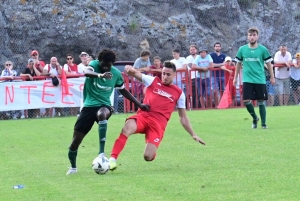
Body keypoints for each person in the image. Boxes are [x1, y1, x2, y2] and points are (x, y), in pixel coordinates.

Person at [108, 61, 206, 171]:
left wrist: (193, 134)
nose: (165, 76)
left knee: (147, 157)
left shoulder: (179, 93)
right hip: (143, 117)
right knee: (127, 127)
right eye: (163, 73)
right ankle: (112, 159)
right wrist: (129, 69)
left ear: (174, 75)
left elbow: (182, 117)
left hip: (158, 125)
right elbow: (135, 73)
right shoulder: (153, 81)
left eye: (168, 74)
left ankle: (152, 153)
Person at [66, 49, 149, 175]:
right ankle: (73, 168)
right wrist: (100, 75)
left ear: (112, 64)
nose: (105, 67)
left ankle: (101, 153)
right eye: (103, 64)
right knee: (74, 144)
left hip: (105, 105)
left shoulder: (116, 73)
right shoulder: (94, 65)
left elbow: (123, 90)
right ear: (99, 61)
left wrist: (139, 104)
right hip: (88, 107)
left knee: (102, 114)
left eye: (108, 65)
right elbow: (86, 72)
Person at [233, 27, 275, 129]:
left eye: (254, 35)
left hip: (260, 79)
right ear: (247, 37)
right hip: (247, 79)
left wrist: (272, 77)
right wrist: (235, 78)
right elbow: (238, 64)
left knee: (261, 101)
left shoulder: (263, 49)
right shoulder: (242, 49)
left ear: (257, 36)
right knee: (246, 100)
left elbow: (269, 64)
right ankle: (255, 118)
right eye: (250, 35)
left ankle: (263, 124)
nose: (252, 37)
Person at [210, 42, 226, 108]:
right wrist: (221, 64)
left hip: (222, 75)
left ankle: (222, 104)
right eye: (216, 46)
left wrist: (217, 65)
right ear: (214, 47)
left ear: (220, 47)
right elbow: (212, 65)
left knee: (222, 90)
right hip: (214, 75)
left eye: (218, 46)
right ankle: (217, 104)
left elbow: (225, 64)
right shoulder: (211, 55)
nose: (217, 47)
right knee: (215, 91)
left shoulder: (224, 56)